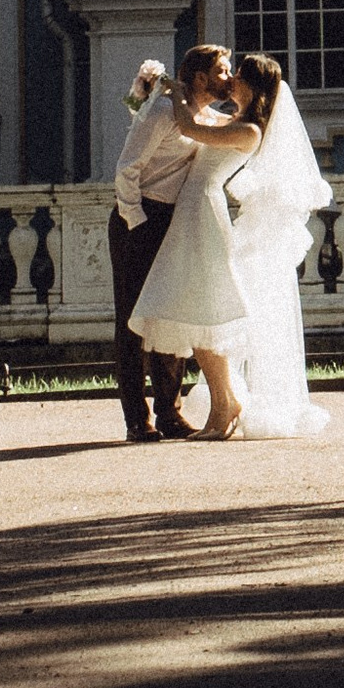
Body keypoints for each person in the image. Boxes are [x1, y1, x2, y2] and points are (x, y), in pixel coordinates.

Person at [132, 48, 332, 440]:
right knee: (197, 314)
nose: (232, 79)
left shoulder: (249, 130)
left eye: (238, 73)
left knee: (203, 316)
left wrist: (174, 91)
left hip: (203, 212)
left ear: (252, 85)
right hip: (193, 209)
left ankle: (224, 408)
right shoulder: (235, 121)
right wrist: (145, 94)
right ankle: (224, 404)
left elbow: (190, 128)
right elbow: (175, 122)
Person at [110, 43, 233, 439]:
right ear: (200, 77)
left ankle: (169, 413)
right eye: (223, 71)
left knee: (172, 313)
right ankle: (136, 419)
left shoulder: (205, 117)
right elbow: (127, 168)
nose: (228, 77)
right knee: (133, 321)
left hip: (176, 221)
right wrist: (136, 221)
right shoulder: (163, 112)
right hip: (140, 217)